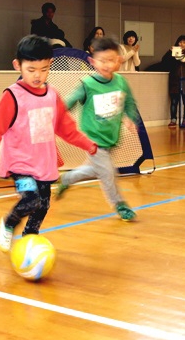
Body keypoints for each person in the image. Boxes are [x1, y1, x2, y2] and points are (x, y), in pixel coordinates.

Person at [0, 35, 97, 252]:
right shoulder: (13, 96)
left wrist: (87, 143)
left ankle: (29, 238)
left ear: (50, 65)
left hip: (43, 164)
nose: (37, 75)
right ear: (18, 65)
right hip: (20, 165)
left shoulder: (52, 95)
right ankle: (8, 224)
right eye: (31, 69)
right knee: (31, 200)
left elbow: (66, 128)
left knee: (43, 205)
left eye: (43, 69)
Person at [54, 37, 138, 221]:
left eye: (111, 60)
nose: (107, 65)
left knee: (96, 170)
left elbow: (129, 102)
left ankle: (68, 179)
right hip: (92, 140)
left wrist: (130, 119)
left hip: (111, 138)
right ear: (92, 61)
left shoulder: (121, 83)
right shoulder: (88, 84)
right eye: (102, 60)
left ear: (119, 61)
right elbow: (69, 101)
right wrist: (56, 115)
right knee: (108, 173)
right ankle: (119, 205)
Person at [161, 35, 185, 128]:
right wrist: (169, 51)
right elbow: (163, 61)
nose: (182, 44)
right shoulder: (173, 53)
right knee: (174, 102)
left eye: (184, 42)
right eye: (180, 42)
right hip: (174, 81)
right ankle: (173, 120)